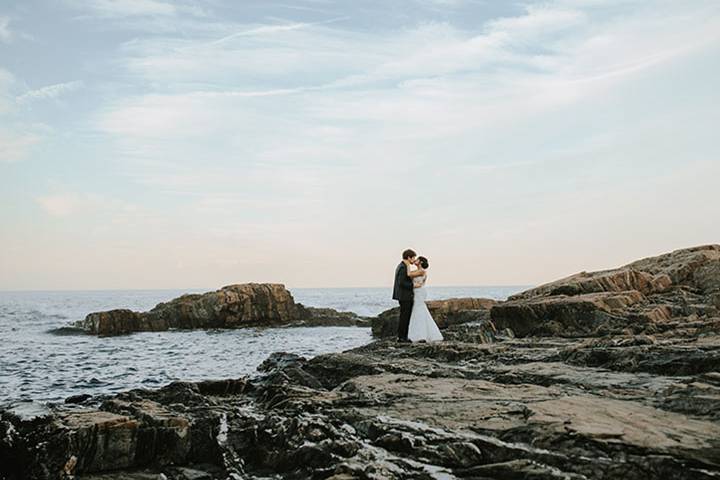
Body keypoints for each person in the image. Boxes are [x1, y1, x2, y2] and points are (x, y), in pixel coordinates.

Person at [407, 256, 443, 343]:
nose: (415, 260)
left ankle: (420, 334)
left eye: (417, 259)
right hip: (416, 291)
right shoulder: (417, 271)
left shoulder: (422, 271)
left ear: (421, 262)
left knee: (419, 310)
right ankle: (419, 332)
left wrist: (408, 264)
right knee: (418, 310)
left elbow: (409, 274)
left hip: (419, 292)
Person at [392, 249, 425, 342]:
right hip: (404, 296)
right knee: (404, 317)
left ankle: (402, 336)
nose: (414, 259)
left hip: (403, 295)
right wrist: (413, 285)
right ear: (409, 257)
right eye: (413, 257)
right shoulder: (403, 267)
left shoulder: (402, 265)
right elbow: (401, 282)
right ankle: (402, 337)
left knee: (404, 316)